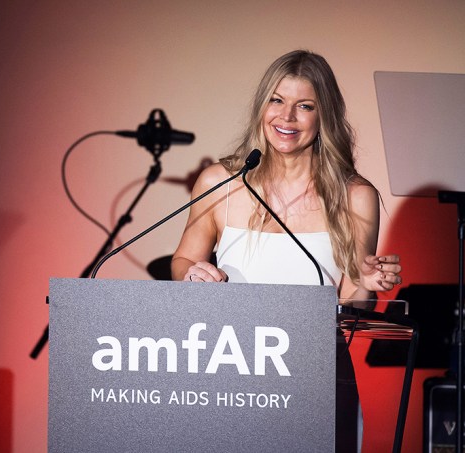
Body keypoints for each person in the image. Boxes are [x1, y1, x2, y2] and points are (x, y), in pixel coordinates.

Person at [170, 50, 402, 452]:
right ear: (263, 106)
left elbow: (351, 306)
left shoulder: (355, 196)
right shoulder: (220, 182)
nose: (287, 117)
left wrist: (364, 283)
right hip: (226, 374)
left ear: (324, 114)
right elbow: (183, 260)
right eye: (277, 100)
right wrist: (192, 273)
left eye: (304, 106)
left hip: (315, 379)